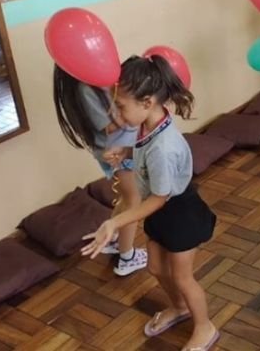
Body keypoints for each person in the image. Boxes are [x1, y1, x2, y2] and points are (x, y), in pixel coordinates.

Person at [81, 55, 218, 351]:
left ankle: (204, 326)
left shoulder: (163, 147)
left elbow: (159, 197)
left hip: (180, 214)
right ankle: (180, 308)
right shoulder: (150, 123)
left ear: (146, 102)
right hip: (160, 212)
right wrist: (126, 152)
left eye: (120, 106)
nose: (116, 112)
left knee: (182, 277)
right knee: (156, 267)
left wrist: (115, 222)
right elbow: (145, 154)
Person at [53, 65, 148, 277]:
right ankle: (127, 257)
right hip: (118, 150)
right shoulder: (85, 88)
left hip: (121, 146)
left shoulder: (95, 80)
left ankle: (111, 236)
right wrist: (132, 111)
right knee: (134, 201)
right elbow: (109, 126)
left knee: (127, 197)